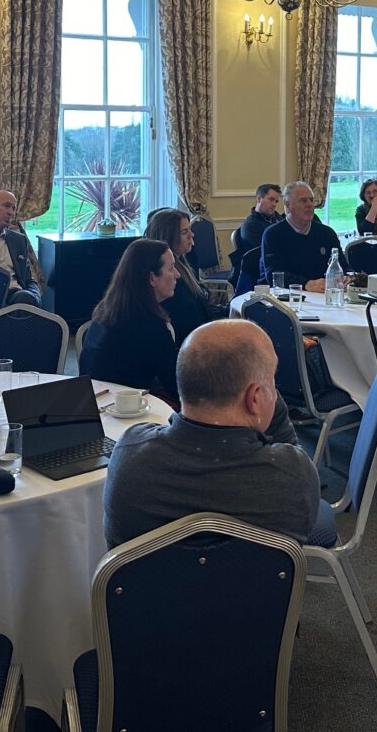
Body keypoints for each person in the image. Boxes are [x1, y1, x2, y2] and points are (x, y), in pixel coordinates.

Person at [103, 319, 321, 548]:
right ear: (255, 397)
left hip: (148, 573)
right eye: (272, 382)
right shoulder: (293, 476)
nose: (275, 395)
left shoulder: (129, 455)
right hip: (253, 573)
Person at [80, 238, 183, 403]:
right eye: (171, 268)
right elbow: (178, 388)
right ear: (152, 278)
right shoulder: (150, 326)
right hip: (125, 410)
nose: (178, 274)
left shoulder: (106, 310)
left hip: (92, 403)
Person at [144, 208, 224, 343]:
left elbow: (200, 308)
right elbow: (187, 319)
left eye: (189, 230)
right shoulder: (167, 278)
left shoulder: (186, 261)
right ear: (168, 237)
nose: (191, 235)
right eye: (184, 232)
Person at [259, 181, 343, 292]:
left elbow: (343, 266)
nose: (309, 205)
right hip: (287, 295)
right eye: (303, 200)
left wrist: (345, 277)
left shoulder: (327, 233)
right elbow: (275, 274)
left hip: (323, 294)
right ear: (288, 205)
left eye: (311, 200)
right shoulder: (273, 234)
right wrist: (306, 284)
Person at [238, 183, 284, 252]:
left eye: (276, 201)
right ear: (259, 199)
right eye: (271, 199)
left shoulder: (277, 218)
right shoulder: (250, 225)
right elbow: (266, 252)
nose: (274, 204)